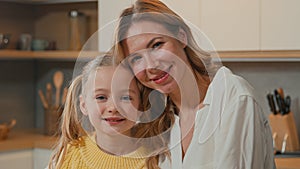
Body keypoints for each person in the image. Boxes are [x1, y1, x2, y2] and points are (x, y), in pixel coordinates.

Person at [113, 0, 275, 168]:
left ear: (182, 37)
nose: (151, 65)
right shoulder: (157, 120)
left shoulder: (233, 98)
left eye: (157, 45)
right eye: (136, 58)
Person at [47, 54, 172, 169]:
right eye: (101, 97)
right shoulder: (68, 156)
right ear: (84, 105)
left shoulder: (154, 162)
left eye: (125, 98)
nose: (113, 107)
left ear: (140, 106)